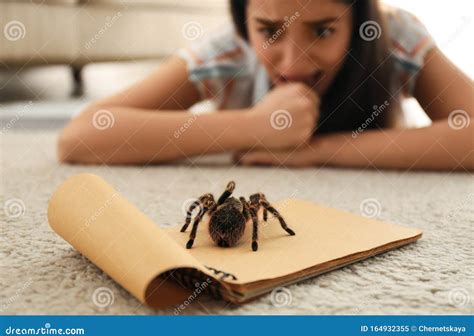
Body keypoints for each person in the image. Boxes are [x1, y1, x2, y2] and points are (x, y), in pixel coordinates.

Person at [58, 0, 473, 170]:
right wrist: (256, 126)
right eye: (270, 31)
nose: (293, 63)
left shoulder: (391, 35)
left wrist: (315, 153)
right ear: (244, 24)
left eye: (323, 30)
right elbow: (80, 137)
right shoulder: (228, 51)